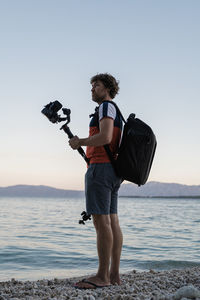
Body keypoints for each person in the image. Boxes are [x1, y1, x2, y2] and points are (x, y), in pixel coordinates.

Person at [69, 73, 123, 289]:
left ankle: (102, 276)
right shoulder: (113, 108)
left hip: (101, 168)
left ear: (107, 88)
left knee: (102, 223)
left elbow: (105, 137)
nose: (92, 89)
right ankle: (114, 275)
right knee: (112, 221)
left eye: (96, 85)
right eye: (91, 86)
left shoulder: (106, 107)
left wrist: (80, 141)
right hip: (112, 170)